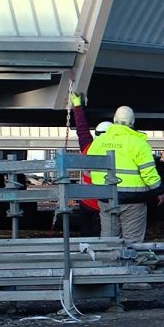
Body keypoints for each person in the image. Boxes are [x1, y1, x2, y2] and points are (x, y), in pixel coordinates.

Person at [86, 105, 164, 242]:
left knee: (109, 241)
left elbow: (91, 168)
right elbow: (148, 173)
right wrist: (158, 190)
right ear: (133, 122)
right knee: (132, 243)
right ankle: (130, 263)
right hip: (133, 200)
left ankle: (110, 263)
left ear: (114, 120)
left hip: (106, 198)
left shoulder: (98, 143)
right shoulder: (139, 144)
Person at [70, 92, 112, 236]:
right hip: (108, 203)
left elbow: (82, 128)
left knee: (87, 240)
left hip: (87, 203)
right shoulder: (120, 151)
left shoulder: (88, 146)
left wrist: (77, 105)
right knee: (109, 238)